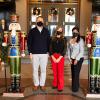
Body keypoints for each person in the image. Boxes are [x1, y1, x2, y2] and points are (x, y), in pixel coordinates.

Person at [27, 16, 50, 91]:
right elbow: (29, 42)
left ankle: (42, 84)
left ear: (43, 22)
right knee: (35, 70)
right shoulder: (32, 31)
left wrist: (48, 52)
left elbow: (48, 42)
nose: (40, 22)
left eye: (41, 20)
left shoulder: (46, 31)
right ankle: (36, 84)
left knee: (43, 70)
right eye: (38, 20)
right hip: (34, 53)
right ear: (36, 22)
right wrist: (30, 52)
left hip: (44, 53)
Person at [49, 26, 67, 92]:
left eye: (60, 30)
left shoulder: (64, 39)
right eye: (58, 30)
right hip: (53, 56)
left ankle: (60, 86)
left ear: (62, 31)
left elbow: (65, 49)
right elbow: (50, 48)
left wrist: (60, 57)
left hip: (60, 57)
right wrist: (52, 56)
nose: (59, 31)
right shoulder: (52, 38)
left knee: (60, 72)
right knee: (55, 72)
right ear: (56, 30)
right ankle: (55, 84)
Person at [67, 26, 84, 92]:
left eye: (76, 32)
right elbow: (68, 50)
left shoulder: (81, 40)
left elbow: (81, 51)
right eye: (73, 32)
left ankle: (75, 88)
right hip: (72, 58)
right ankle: (75, 85)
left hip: (79, 59)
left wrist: (76, 59)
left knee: (76, 73)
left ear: (78, 32)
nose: (74, 33)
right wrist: (70, 58)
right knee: (73, 73)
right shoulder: (70, 40)